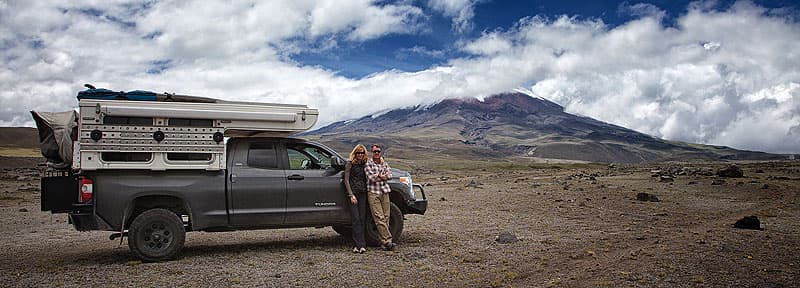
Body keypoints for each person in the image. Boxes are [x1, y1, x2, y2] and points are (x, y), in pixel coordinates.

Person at [365, 143, 395, 250]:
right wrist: (383, 177)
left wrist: (380, 176)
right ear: (371, 152)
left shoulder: (384, 163)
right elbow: (371, 177)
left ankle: (383, 241)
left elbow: (390, 175)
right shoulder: (368, 164)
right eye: (374, 151)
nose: (376, 153)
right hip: (373, 192)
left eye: (378, 151)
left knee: (386, 216)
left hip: (384, 191)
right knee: (379, 217)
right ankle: (388, 240)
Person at [344, 144, 368, 253]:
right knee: (355, 219)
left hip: (363, 193)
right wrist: (351, 195)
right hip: (353, 194)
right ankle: (355, 245)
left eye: (362, 153)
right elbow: (346, 180)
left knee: (362, 219)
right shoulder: (350, 164)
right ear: (355, 153)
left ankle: (362, 245)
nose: (360, 155)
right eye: (358, 153)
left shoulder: (364, 164)